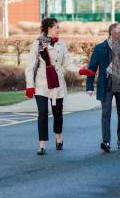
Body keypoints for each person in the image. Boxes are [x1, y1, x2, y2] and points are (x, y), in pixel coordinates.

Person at [24, 17, 81, 155]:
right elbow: (30, 66)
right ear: (49, 28)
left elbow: (67, 63)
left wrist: (80, 70)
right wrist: (29, 86)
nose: (58, 29)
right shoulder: (38, 44)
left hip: (57, 84)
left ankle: (59, 138)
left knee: (57, 114)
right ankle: (42, 145)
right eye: (57, 27)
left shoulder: (61, 44)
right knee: (42, 113)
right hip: (42, 84)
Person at [81, 23, 120, 152]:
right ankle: (106, 141)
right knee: (106, 113)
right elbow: (92, 68)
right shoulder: (100, 48)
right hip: (106, 85)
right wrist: (89, 86)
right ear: (112, 32)